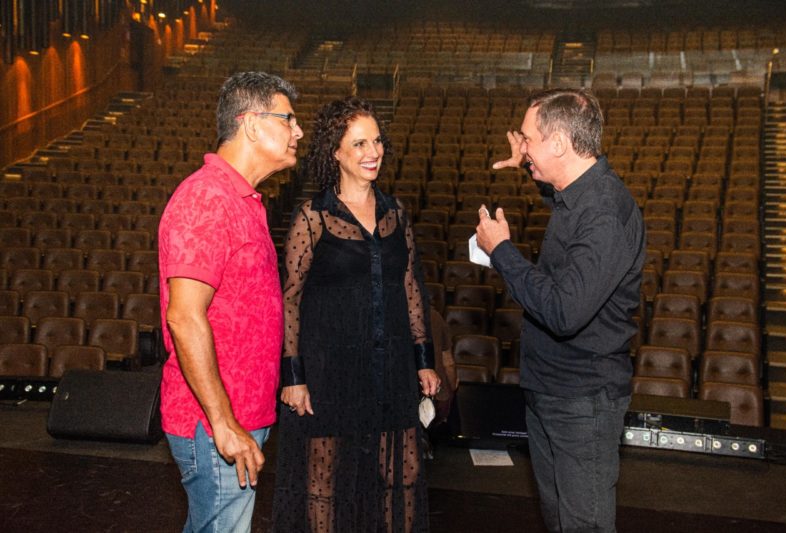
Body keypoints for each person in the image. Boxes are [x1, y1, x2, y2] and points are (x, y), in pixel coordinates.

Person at [476, 88, 645, 533]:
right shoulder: (581, 195)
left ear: (558, 143)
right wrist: (531, 169)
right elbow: (565, 206)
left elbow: (563, 312)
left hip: (582, 401)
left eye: (529, 138)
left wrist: (502, 251)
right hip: (554, 392)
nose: (522, 144)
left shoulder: (605, 213)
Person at [272, 96, 441, 533]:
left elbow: (410, 287)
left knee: (403, 472)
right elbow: (289, 298)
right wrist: (293, 377)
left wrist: (424, 361)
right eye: (360, 144)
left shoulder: (396, 214)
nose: (373, 152)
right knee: (324, 478)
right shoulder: (313, 218)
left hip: (390, 367)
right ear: (336, 153)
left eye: (378, 141)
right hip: (329, 371)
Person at [158, 72, 303, 533]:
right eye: (288, 119)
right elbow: (183, 317)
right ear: (253, 124)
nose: (298, 131)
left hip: (238, 416)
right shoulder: (207, 197)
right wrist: (223, 423)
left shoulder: (242, 199)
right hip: (215, 422)